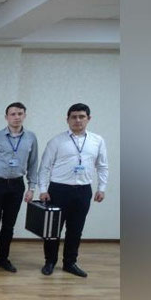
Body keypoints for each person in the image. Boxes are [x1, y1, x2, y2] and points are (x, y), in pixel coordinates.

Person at [38, 103, 108, 278]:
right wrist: (43, 189)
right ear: (67, 119)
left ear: (88, 119)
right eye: (74, 117)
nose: (78, 120)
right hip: (58, 190)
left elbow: (102, 166)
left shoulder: (97, 141)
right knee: (53, 229)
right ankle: (50, 262)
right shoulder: (56, 141)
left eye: (81, 116)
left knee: (76, 229)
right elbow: (44, 167)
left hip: (83, 191)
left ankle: (70, 263)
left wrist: (101, 188)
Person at [0, 102, 39, 272]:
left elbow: (33, 163)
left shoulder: (31, 138)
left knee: (8, 225)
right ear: (6, 117)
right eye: (13, 114)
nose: (16, 117)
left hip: (16, 185)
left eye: (20, 114)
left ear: (24, 116)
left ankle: (3, 259)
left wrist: (31, 188)